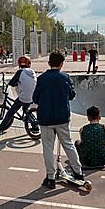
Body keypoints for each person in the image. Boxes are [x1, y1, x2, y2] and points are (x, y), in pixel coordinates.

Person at [33, 51, 84, 189]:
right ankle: (78, 173)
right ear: (62, 64)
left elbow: (35, 98)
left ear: (49, 62)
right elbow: (72, 95)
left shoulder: (42, 78)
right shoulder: (65, 77)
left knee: (48, 148)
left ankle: (50, 177)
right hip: (62, 117)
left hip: (45, 118)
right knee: (68, 144)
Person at [0, 55, 37, 137]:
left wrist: (10, 83)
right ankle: (35, 125)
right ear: (29, 64)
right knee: (25, 109)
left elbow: (13, 83)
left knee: (10, 113)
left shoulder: (20, 72)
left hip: (24, 97)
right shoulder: (32, 72)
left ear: (19, 64)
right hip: (32, 96)